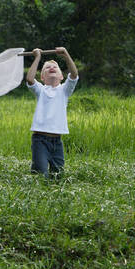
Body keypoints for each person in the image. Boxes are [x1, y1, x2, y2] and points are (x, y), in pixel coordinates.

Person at [25, 47, 78, 178]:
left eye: (55, 67)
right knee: (40, 174)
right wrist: (37, 57)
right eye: (47, 68)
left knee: (58, 176)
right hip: (40, 140)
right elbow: (30, 79)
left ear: (61, 76)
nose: (51, 68)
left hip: (57, 141)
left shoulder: (64, 90)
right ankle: (36, 170)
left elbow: (74, 74)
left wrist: (66, 54)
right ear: (42, 77)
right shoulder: (41, 90)